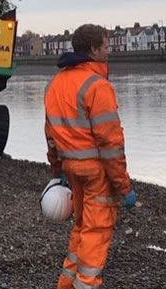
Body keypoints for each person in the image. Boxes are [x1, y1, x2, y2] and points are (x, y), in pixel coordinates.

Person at [44, 23, 136, 289]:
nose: (110, 50)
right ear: (94, 49)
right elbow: (111, 144)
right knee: (96, 232)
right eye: (107, 46)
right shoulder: (98, 86)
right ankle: (86, 284)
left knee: (82, 229)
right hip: (97, 173)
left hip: (72, 169)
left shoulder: (56, 85)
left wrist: (57, 170)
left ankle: (67, 284)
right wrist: (124, 186)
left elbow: (51, 135)